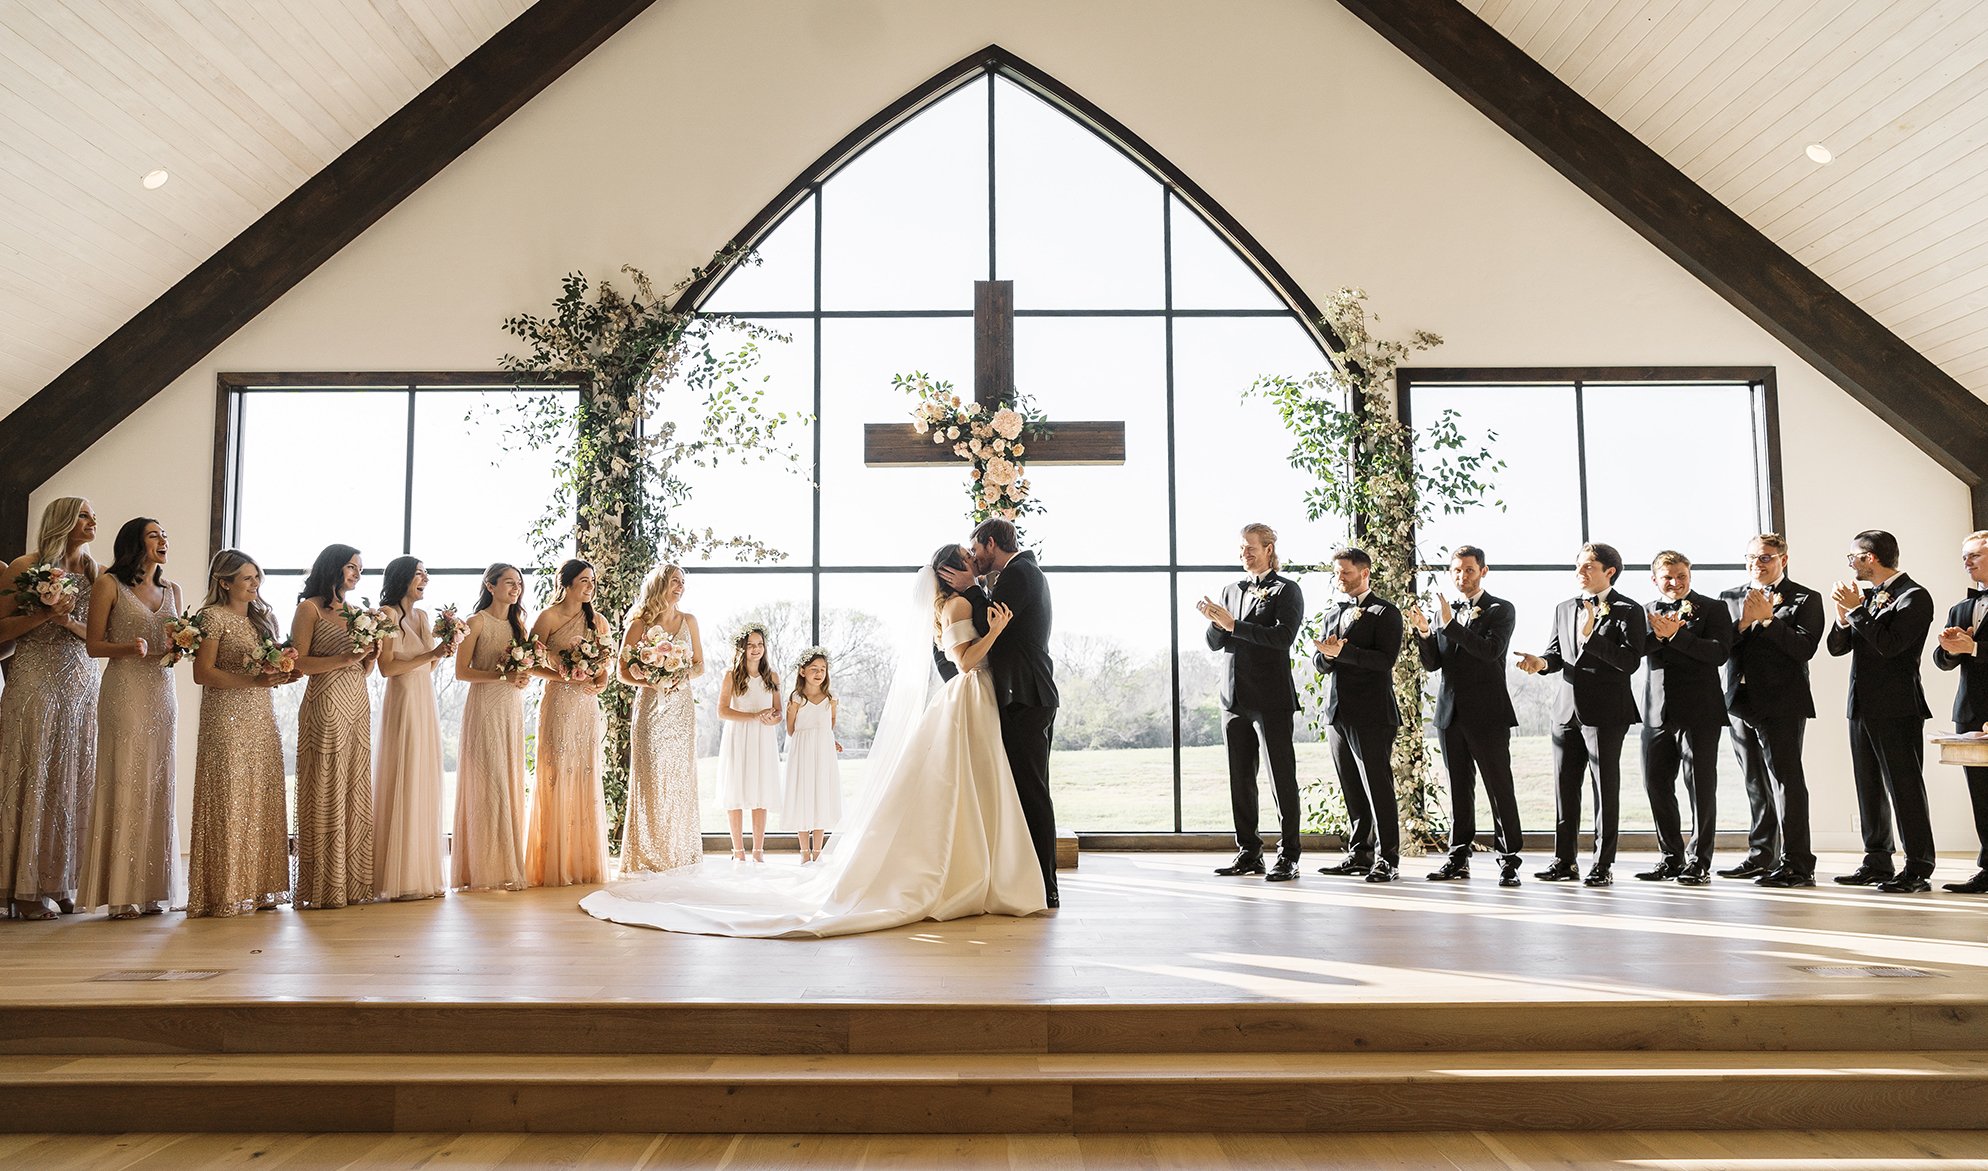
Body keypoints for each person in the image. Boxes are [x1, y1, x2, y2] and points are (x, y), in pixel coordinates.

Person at [579, 543, 1047, 937]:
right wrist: (1000, 629)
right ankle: (976, 873)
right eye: (966, 557)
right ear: (950, 570)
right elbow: (966, 662)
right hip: (970, 692)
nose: (974, 560)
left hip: (968, 699)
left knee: (966, 784)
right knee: (971, 782)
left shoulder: (948, 604)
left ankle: (973, 869)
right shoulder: (960, 605)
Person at [941, 517, 1060, 907]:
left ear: (991, 544)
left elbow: (989, 622)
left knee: (1032, 792)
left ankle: (1045, 884)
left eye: (976, 550)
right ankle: (1028, 878)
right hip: (1024, 693)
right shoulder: (1023, 571)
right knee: (1024, 790)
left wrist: (970, 589)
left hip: (1027, 696)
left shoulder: (1019, 573)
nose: (974, 559)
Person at [1517, 542, 1646, 887]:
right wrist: (1541, 663)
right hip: (1565, 710)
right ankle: (1564, 861)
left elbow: (1630, 662)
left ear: (1610, 572)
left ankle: (1602, 864)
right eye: (1578, 566)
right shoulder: (1563, 608)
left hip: (1607, 712)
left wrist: (1591, 638)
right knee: (1565, 787)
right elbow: (1555, 654)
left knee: (1605, 788)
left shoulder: (1629, 610)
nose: (1580, 572)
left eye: (1589, 566)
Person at [0, 497, 99, 920]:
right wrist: (44, 614)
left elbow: (94, 632)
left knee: (71, 779)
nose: (92, 520)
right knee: (32, 774)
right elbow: (1, 630)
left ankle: (58, 880)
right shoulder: (26, 566)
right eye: (82, 514)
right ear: (62, 521)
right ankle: (22, 890)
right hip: (34, 678)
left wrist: (68, 622)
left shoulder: (95, 572)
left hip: (80, 682)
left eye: (93, 513)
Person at [78, 517, 182, 918]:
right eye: (155, 534)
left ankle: (154, 888)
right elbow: (92, 645)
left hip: (162, 691)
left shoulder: (171, 590)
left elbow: (171, 648)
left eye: (165, 534)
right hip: (124, 690)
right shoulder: (109, 584)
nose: (163, 540)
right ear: (135, 543)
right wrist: (126, 648)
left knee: (158, 780)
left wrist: (178, 649)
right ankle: (121, 892)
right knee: (125, 778)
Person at [185, 549, 294, 917]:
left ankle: (261, 886)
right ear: (224, 581)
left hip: (262, 715)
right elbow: (203, 673)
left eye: (256, 577)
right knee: (229, 796)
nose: (254, 584)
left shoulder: (264, 618)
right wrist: (253, 679)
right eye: (246, 578)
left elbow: (271, 666)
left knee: (261, 792)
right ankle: (223, 892)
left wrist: (283, 672)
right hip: (225, 715)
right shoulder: (211, 618)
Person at [1827, 529, 1936, 893]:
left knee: (1904, 787)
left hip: (1897, 707)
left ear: (1870, 557)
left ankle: (1918, 867)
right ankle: (1877, 860)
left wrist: (1857, 611)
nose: (1851, 563)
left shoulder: (1914, 597)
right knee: (1868, 786)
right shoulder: (1868, 598)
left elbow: (1890, 646)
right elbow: (1837, 648)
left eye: (1853, 557)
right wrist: (1844, 617)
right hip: (1861, 705)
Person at [1197, 523, 1305, 881]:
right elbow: (1216, 643)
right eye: (1241, 548)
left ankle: (1289, 855)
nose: (1243, 554)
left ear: (1269, 549)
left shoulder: (1287, 591)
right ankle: (1249, 852)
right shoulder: (1231, 589)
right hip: (1234, 697)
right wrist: (1216, 622)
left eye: (1250, 548)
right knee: (1240, 778)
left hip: (1271, 697)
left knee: (1280, 777)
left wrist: (1234, 626)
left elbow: (1282, 638)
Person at [1717, 533, 1825, 887]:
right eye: (1751, 558)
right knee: (1754, 782)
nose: (1756, 564)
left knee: (1786, 781)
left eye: (1764, 558)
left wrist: (1768, 620)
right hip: (1739, 702)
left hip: (1782, 702)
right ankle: (1761, 855)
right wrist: (1744, 624)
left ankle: (1797, 863)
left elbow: (1803, 648)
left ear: (1783, 559)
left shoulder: (1806, 598)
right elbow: (1722, 650)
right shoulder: (1729, 598)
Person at [1410, 545, 1522, 886]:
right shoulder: (1446, 612)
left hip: (1488, 713)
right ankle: (1457, 858)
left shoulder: (1500, 609)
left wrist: (1448, 625)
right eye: (1456, 570)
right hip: (1450, 715)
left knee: (1499, 788)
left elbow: (1490, 651)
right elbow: (1433, 664)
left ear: (1483, 571)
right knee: (1459, 789)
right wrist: (1427, 632)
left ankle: (1509, 860)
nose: (1462, 576)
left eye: (1469, 570)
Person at [289, 544, 380, 909]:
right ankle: (324, 885)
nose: (357, 574)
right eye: (351, 567)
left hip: (358, 702)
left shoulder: (358, 613)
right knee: (327, 786)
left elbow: (361, 668)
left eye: (360, 569)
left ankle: (353, 882)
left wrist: (368, 657)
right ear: (333, 568)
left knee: (355, 787)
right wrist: (345, 657)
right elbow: (297, 665)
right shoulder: (308, 608)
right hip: (326, 702)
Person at [1635, 551, 1733, 886]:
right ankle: (1670, 857)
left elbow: (1719, 653)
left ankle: (1699, 861)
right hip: (1655, 713)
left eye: (1682, 576)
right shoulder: (1644, 612)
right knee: (1656, 786)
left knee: (1701, 788)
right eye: (1668, 578)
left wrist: (1677, 636)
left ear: (1690, 575)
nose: (1676, 583)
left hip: (1700, 712)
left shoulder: (1714, 608)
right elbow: (1633, 653)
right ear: (1654, 579)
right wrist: (1659, 635)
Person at [1310, 547, 1404, 883]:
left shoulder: (1386, 613)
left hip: (1373, 714)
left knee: (1377, 787)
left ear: (1364, 573)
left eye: (1345, 573)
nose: (1339, 578)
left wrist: (1345, 652)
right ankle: (1360, 854)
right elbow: (1321, 664)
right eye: (1336, 573)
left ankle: (1388, 859)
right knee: (1351, 786)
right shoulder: (1333, 612)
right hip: (1338, 713)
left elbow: (1385, 661)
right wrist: (1329, 657)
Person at [525, 559, 612, 887]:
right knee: (557, 771)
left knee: (586, 771)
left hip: (587, 704)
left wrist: (598, 682)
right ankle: (554, 863)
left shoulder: (598, 620)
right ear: (567, 582)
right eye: (584, 581)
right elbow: (529, 663)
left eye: (592, 581)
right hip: (559, 700)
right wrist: (563, 675)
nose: (590, 587)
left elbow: (604, 669)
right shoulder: (548, 617)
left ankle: (583, 864)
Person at [617, 563, 705, 875]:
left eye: (682, 582)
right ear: (659, 585)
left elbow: (699, 666)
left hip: (681, 708)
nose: (680, 587)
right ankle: (647, 857)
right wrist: (653, 681)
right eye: (673, 581)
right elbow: (622, 672)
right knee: (651, 779)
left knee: (679, 779)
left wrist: (678, 673)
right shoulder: (639, 624)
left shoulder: (689, 620)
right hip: (651, 708)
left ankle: (679, 856)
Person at [372, 556, 451, 902]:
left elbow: (428, 666)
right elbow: (387, 668)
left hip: (424, 699)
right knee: (405, 773)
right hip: (403, 700)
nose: (426, 579)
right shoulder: (387, 615)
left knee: (422, 776)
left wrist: (444, 650)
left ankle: (420, 872)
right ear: (403, 577)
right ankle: (399, 876)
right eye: (419, 573)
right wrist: (430, 653)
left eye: (426, 574)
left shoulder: (421, 616)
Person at [451, 563, 531, 891]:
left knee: (508, 781)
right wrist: (503, 676)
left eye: (519, 584)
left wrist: (521, 678)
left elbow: (523, 668)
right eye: (509, 582)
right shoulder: (476, 622)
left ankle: (505, 866)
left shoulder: (520, 626)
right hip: (484, 705)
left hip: (511, 708)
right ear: (490, 585)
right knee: (488, 783)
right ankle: (479, 869)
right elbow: (462, 672)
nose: (516, 588)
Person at [1932, 530, 1988, 894]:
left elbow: (1976, 651)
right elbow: (1942, 661)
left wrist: (1977, 648)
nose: (1965, 562)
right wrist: (1951, 648)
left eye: (1973, 555)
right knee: (1981, 794)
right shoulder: (1960, 607)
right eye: (1964, 557)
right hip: (1970, 710)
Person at [715, 623, 782, 865]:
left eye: (760, 644)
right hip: (738, 736)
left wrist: (769, 718)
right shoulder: (731, 675)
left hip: (763, 739)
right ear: (742, 648)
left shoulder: (772, 676)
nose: (756, 649)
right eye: (751, 645)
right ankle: (738, 851)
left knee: (760, 791)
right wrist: (754, 716)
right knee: (736, 790)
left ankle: (758, 851)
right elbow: (722, 711)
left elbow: (779, 714)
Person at [783, 647, 843, 864]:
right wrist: (810, 736)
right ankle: (804, 852)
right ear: (802, 671)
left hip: (823, 751)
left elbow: (831, 723)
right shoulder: (797, 698)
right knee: (803, 795)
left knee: (821, 796)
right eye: (814, 669)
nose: (819, 673)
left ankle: (817, 852)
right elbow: (790, 729)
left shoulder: (831, 697)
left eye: (823, 669)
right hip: (802, 751)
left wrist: (827, 740)